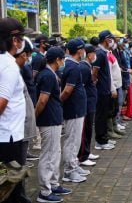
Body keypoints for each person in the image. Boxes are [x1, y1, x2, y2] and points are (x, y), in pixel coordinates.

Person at [0, 17, 31, 203]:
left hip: (7, 134)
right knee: (10, 187)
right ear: (14, 40)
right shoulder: (9, 65)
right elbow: (1, 103)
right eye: (20, 39)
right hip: (8, 137)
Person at [36, 47, 72, 203]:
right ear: (57, 59)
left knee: (55, 153)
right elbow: (42, 100)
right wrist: (35, 118)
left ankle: (53, 183)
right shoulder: (47, 75)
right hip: (48, 120)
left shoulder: (51, 74)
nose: (63, 61)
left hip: (54, 119)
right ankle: (44, 191)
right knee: (48, 155)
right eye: (62, 58)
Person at [61, 39, 89, 183]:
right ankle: (69, 170)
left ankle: (74, 164)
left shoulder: (73, 65)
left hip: (77, 109)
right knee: (72, 141)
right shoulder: (73, 67)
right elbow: (67, 91)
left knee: (75, 140)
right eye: (83, 49)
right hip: (73, 110)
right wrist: (59, 104)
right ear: (79, 51)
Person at [92, 30, 115, 150]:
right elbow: (94, 72)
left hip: (105, 89)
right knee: (101, 115)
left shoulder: (103, 52)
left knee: (105, 114)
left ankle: (104, 138)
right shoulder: (100, 53)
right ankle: (100, 141)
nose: (112, 41)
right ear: (106, 39)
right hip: (101, 90)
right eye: (110, 38)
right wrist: (95, 85)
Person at [78, 44, 99, 167]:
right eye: (94, 53)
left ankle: (87, 151)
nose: (95, 56)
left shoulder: (87, 66)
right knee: (85, 130)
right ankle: (82, 156)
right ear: (89, 54)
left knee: (89, 128)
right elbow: (83, 86)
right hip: (86, 103)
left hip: (90, 102)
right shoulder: (84, 67)